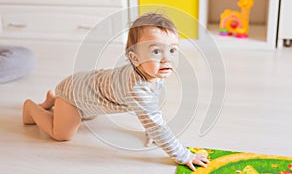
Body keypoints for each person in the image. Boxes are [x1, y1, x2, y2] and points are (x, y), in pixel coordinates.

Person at [22, 12, 209, 171]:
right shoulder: (136, 88)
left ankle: (53, 101)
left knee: (90, 116)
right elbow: (156, 125)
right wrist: (184, 156)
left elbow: (153, 106)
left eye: (173, 50)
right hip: (74, 95)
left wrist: (149, 131)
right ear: (135, 59)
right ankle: (32, 108)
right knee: (62, 135)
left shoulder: (153, 73)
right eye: (156, 52)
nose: (167, 59)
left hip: (88, 94)